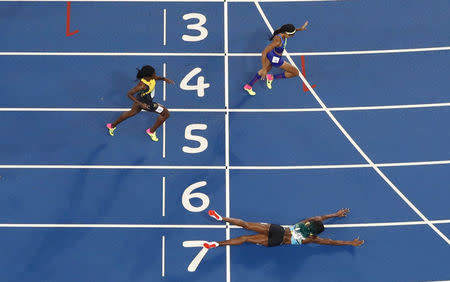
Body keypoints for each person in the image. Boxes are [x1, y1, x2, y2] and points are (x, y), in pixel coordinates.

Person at [203, 208, 364, 248]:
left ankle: (221, 217)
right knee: (245, 239)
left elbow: (320, 218)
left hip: (278, 230)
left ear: (310, 224)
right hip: (277, 241)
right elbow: (330, 242)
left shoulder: (306, 221)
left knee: (245, 224)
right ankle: (217, 244)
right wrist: (349, 243)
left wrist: (335, 214)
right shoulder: (312, 239)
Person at [106, 65, 174, 141]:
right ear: (148, 76)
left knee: (131, 112)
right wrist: (141, 104)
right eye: (154, 74)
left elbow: (156, 78)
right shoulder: (142, 86)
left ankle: (111, 126)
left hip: (141, 98)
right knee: (166, 114)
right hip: (147, 104)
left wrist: (164, 79)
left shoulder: (151, 78)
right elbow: (129, 94)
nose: (155, 75)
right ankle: (151, 131)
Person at [244, 21, 309, 96]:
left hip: (272, 54)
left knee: (265, 70)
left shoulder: (282, 32)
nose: (292, 36)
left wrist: (299, 29)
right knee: (295, 73)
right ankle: (271, 77)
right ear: (286, 33)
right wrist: (264, 69)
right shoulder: (278, 41)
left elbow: (290, 32)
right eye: (291, 35)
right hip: (275, 59)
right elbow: (264, 52)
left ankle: (248, 86)